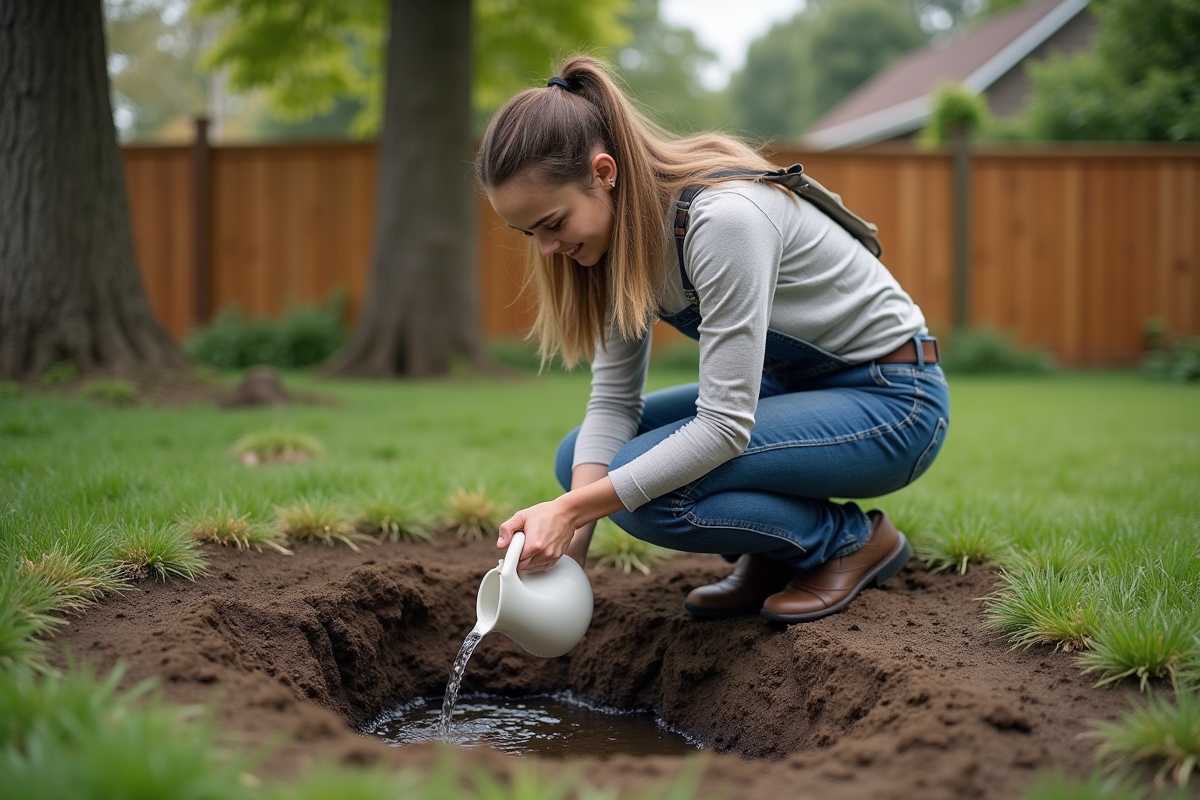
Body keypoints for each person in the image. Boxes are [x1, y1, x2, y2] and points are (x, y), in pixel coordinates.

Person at [477, 56, 950, 624]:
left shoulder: (722, 220)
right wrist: (572, 541)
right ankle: (776, 552)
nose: (548, 249)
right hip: (792, 391)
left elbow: (724, 425)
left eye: (553, 224)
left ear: (604, 172)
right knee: (578, 458)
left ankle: (847, 541)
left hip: (893, 400)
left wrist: (571, 509)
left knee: (646, 501)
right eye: (530, 235)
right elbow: (613, 403)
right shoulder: (612, 244)